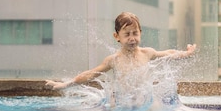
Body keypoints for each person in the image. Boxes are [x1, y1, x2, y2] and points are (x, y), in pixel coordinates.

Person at [45, 12, 196, 92]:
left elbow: (167, 54)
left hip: (142, 101)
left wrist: (185, 53)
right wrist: (65, 85)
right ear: (117, 36)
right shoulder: (113, 60)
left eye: (135, 33)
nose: (132, 38)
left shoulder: (147, 53)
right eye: (127, 34)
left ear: (140, 33)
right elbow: (91, 74)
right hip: (122, 102)